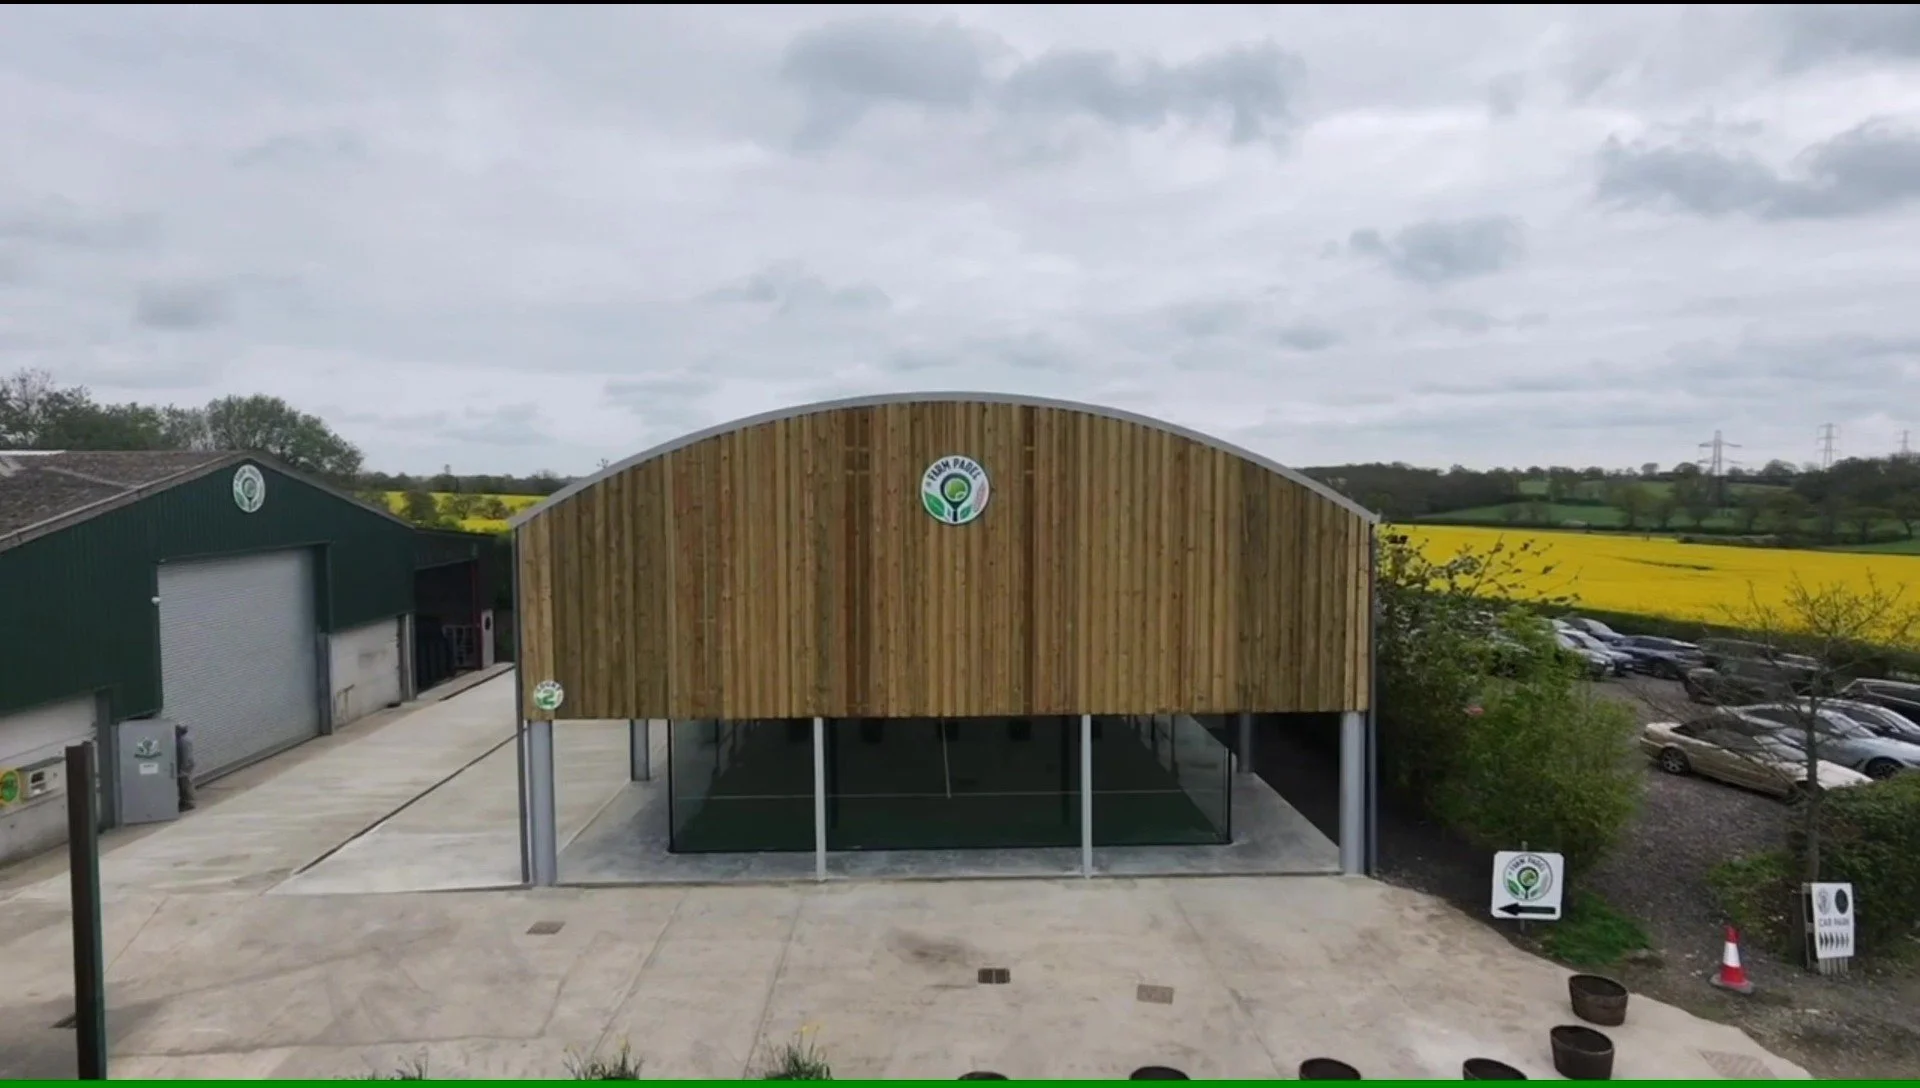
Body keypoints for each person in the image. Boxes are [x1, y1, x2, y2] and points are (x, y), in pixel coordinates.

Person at [175, 723, 197, 811]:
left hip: (185, 766)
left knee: (186, 783)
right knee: (183, 783)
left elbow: (186, 756)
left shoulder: (184, 741)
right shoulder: (183, 739)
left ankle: (189, 802)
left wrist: (183, 767)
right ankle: (185, 801)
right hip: (186, 765)